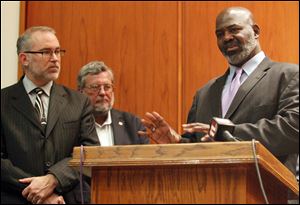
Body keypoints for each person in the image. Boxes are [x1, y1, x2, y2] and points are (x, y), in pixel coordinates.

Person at [138, 7, 299, 175]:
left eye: (234, 30)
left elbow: (294, 129)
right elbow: (200, 143)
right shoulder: (204, 93)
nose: (227, 38)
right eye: (220, 34)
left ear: (255, 31)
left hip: (268, 194)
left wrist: (229, 133)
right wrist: (177, 143)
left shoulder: (288, 75)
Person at [1, 26, 99, 204]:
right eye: (46, 52)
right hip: (15, 198)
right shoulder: (3, 101)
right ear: (24, 59)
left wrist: (53, 179)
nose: (55, 59)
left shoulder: (79, 102)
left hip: (66, 198)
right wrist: (35, 191)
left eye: (58, 51)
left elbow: (89, 153)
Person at [77, 61, 149, 146]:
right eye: (95, 87)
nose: (103, 93)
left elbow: (146, 158)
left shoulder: (133, 124)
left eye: (107, 87)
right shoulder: (71, 126)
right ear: (80, 92)